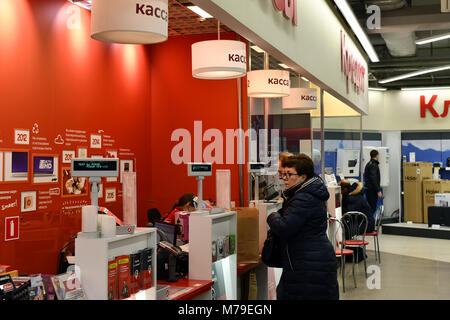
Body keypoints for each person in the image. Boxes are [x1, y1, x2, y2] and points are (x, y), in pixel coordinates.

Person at [267, 154, 339, 300]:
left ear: (302, 177)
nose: (284, 178)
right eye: (283, 174)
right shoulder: (304, 194)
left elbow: (284, 227)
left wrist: (272, 215)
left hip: (308, 265)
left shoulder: (304, 197)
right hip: (309, 261)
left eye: (289, 174)